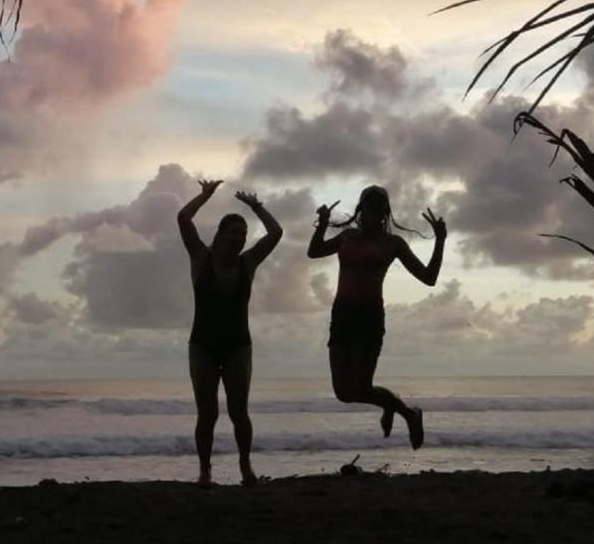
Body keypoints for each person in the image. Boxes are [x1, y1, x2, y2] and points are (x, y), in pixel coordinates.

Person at [307, 185, 446, 449]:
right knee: (344, 394)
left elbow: (429, 278)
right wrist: (322, 224)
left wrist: (440, 241)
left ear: (385, 213)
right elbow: (314, 252)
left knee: (362, 386)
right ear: (361, 209)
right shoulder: (347, 237)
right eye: (369, 207)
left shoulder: (393, 243)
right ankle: (398, 409)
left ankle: (408, 414)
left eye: (379, 209)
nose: (374, 213)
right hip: (342, 316)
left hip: (369, 317)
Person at [178, 179, 283, 485]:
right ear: (220, 234)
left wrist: (256, 206)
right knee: (207, 414)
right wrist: (205, 196)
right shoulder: (200, 259)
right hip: (202, 346)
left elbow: (276, 233)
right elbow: (183, 219)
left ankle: (245, 467)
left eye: (243, 234)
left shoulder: (247, 263)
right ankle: (205, 471)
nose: (239, 238)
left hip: (238, 346)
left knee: (240, 412)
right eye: (233, 232)